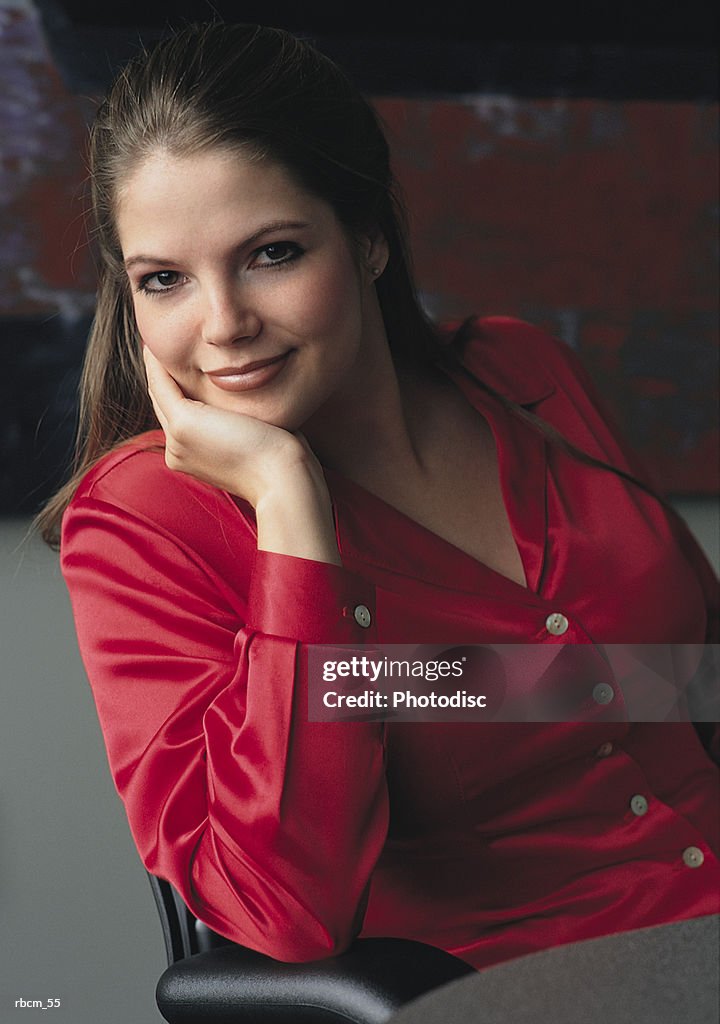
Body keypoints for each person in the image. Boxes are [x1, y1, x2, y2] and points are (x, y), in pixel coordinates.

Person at [40, 22, 718, 974]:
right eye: (166, 280)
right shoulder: (145, 523)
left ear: (365, 240)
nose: (225, 325)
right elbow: (282, 909)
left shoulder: (522, 372)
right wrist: (289, 509)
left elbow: (690, 678)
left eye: (272, 254)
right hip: (536, 989)